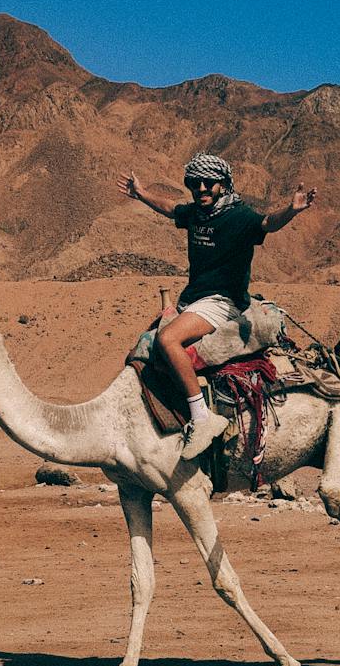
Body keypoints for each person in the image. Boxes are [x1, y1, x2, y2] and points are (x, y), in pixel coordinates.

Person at [117, 153, 316, 458]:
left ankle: (201, 418)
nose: (202, 189)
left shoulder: (239, 216)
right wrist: (141, 193)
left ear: (222, 184)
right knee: (145, 350)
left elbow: (267, 223)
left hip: (223, 301)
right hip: (194, 299)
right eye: (195, 183)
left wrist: (291, 210)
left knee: (168, 340)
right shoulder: (196, 213)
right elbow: (171, 209)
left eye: (209, 183)